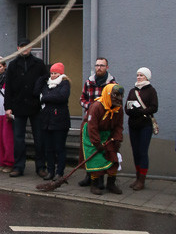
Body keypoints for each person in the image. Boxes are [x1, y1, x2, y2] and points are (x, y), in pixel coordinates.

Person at [4, 39, 48, 177]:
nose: (24, 48)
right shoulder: (12, 65)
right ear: (18, 48)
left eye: (27, 46)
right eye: (22, 46)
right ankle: (18, 166)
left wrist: (42, 99)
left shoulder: (39, 64)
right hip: (18, 106)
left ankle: (41, 167)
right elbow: (8, 88)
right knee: (18, 139)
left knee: (39, 138)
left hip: (35, 106)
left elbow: (45, 82)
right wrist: (8, 107)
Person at [81, 83, 125, 196]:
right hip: (92, 134)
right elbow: (92, 127)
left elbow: (119, 126)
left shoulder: (118, 109)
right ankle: (94, 184)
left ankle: (111, 184)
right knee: (96, 159)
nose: (119, 99)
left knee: (113, 157)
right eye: (116, 95)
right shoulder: (96, 107)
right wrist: (97, 143)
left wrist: (117, 139)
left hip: (108, 134)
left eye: (121, 96)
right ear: (109, 94)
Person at [78, 57, 116, 187]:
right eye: (97, 65)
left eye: (102, 65)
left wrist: (100, 109)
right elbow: (82, 99)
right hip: (89, 121)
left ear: (107, 67)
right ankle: (89, 176)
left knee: (102, 151)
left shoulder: (112, 84)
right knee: (87, 150)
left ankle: (100, 178)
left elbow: (114, 103)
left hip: (104, 123)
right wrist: (92, 107)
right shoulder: (89, 82)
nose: (99, 67)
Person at [124, 67, 159, 191]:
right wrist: (131, 111)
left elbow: (154, 107)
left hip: (145, 125)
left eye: (141, 75)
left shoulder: (151, 91)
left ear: (147, 77)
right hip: (133, 125)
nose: (139, 77)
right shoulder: (132, 91)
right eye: (138, 75)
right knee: (135, 152)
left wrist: (142, 111)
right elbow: (126, 107)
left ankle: (142, 180)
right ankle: (137, 177)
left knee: (143, 152)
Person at [39, 62, 71, 181]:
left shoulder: (65, 83)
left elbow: (61, 97)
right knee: (48, 148)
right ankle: (50, 171)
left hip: (60, 122)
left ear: (61, 73)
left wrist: (47, 98)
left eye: (55, 73)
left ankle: (60, 172)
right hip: (47, 121)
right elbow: (39, 93)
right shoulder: (47, 84)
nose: (52, 75)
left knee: (59, 148)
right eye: (51, 73)